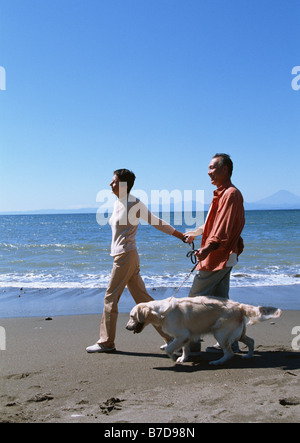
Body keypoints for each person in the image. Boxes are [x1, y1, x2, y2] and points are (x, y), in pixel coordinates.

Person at [87, 169, 185, 353]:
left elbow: (157, 222)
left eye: (114, 181)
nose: (110, 184)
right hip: (125, 256)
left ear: (123, 184)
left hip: (125, 256)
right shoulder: (118, 203)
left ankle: (106, 342)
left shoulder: (134, 203)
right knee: (144, 300)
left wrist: (181, 236)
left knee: (110, 298)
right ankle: (172, 338)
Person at [184, 153, 245, 353]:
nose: (209, 172)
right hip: (224, 256)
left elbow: (223, 230)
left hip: (220, 256)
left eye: (212, 168)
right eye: (208, 168)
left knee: (194, 300)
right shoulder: (222, 193)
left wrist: (207, 249)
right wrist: (196, 233)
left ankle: (191, 345)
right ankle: (230, 343)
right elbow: (212, 224)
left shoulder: (230, 194)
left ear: (225, 169)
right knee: (221, 303)